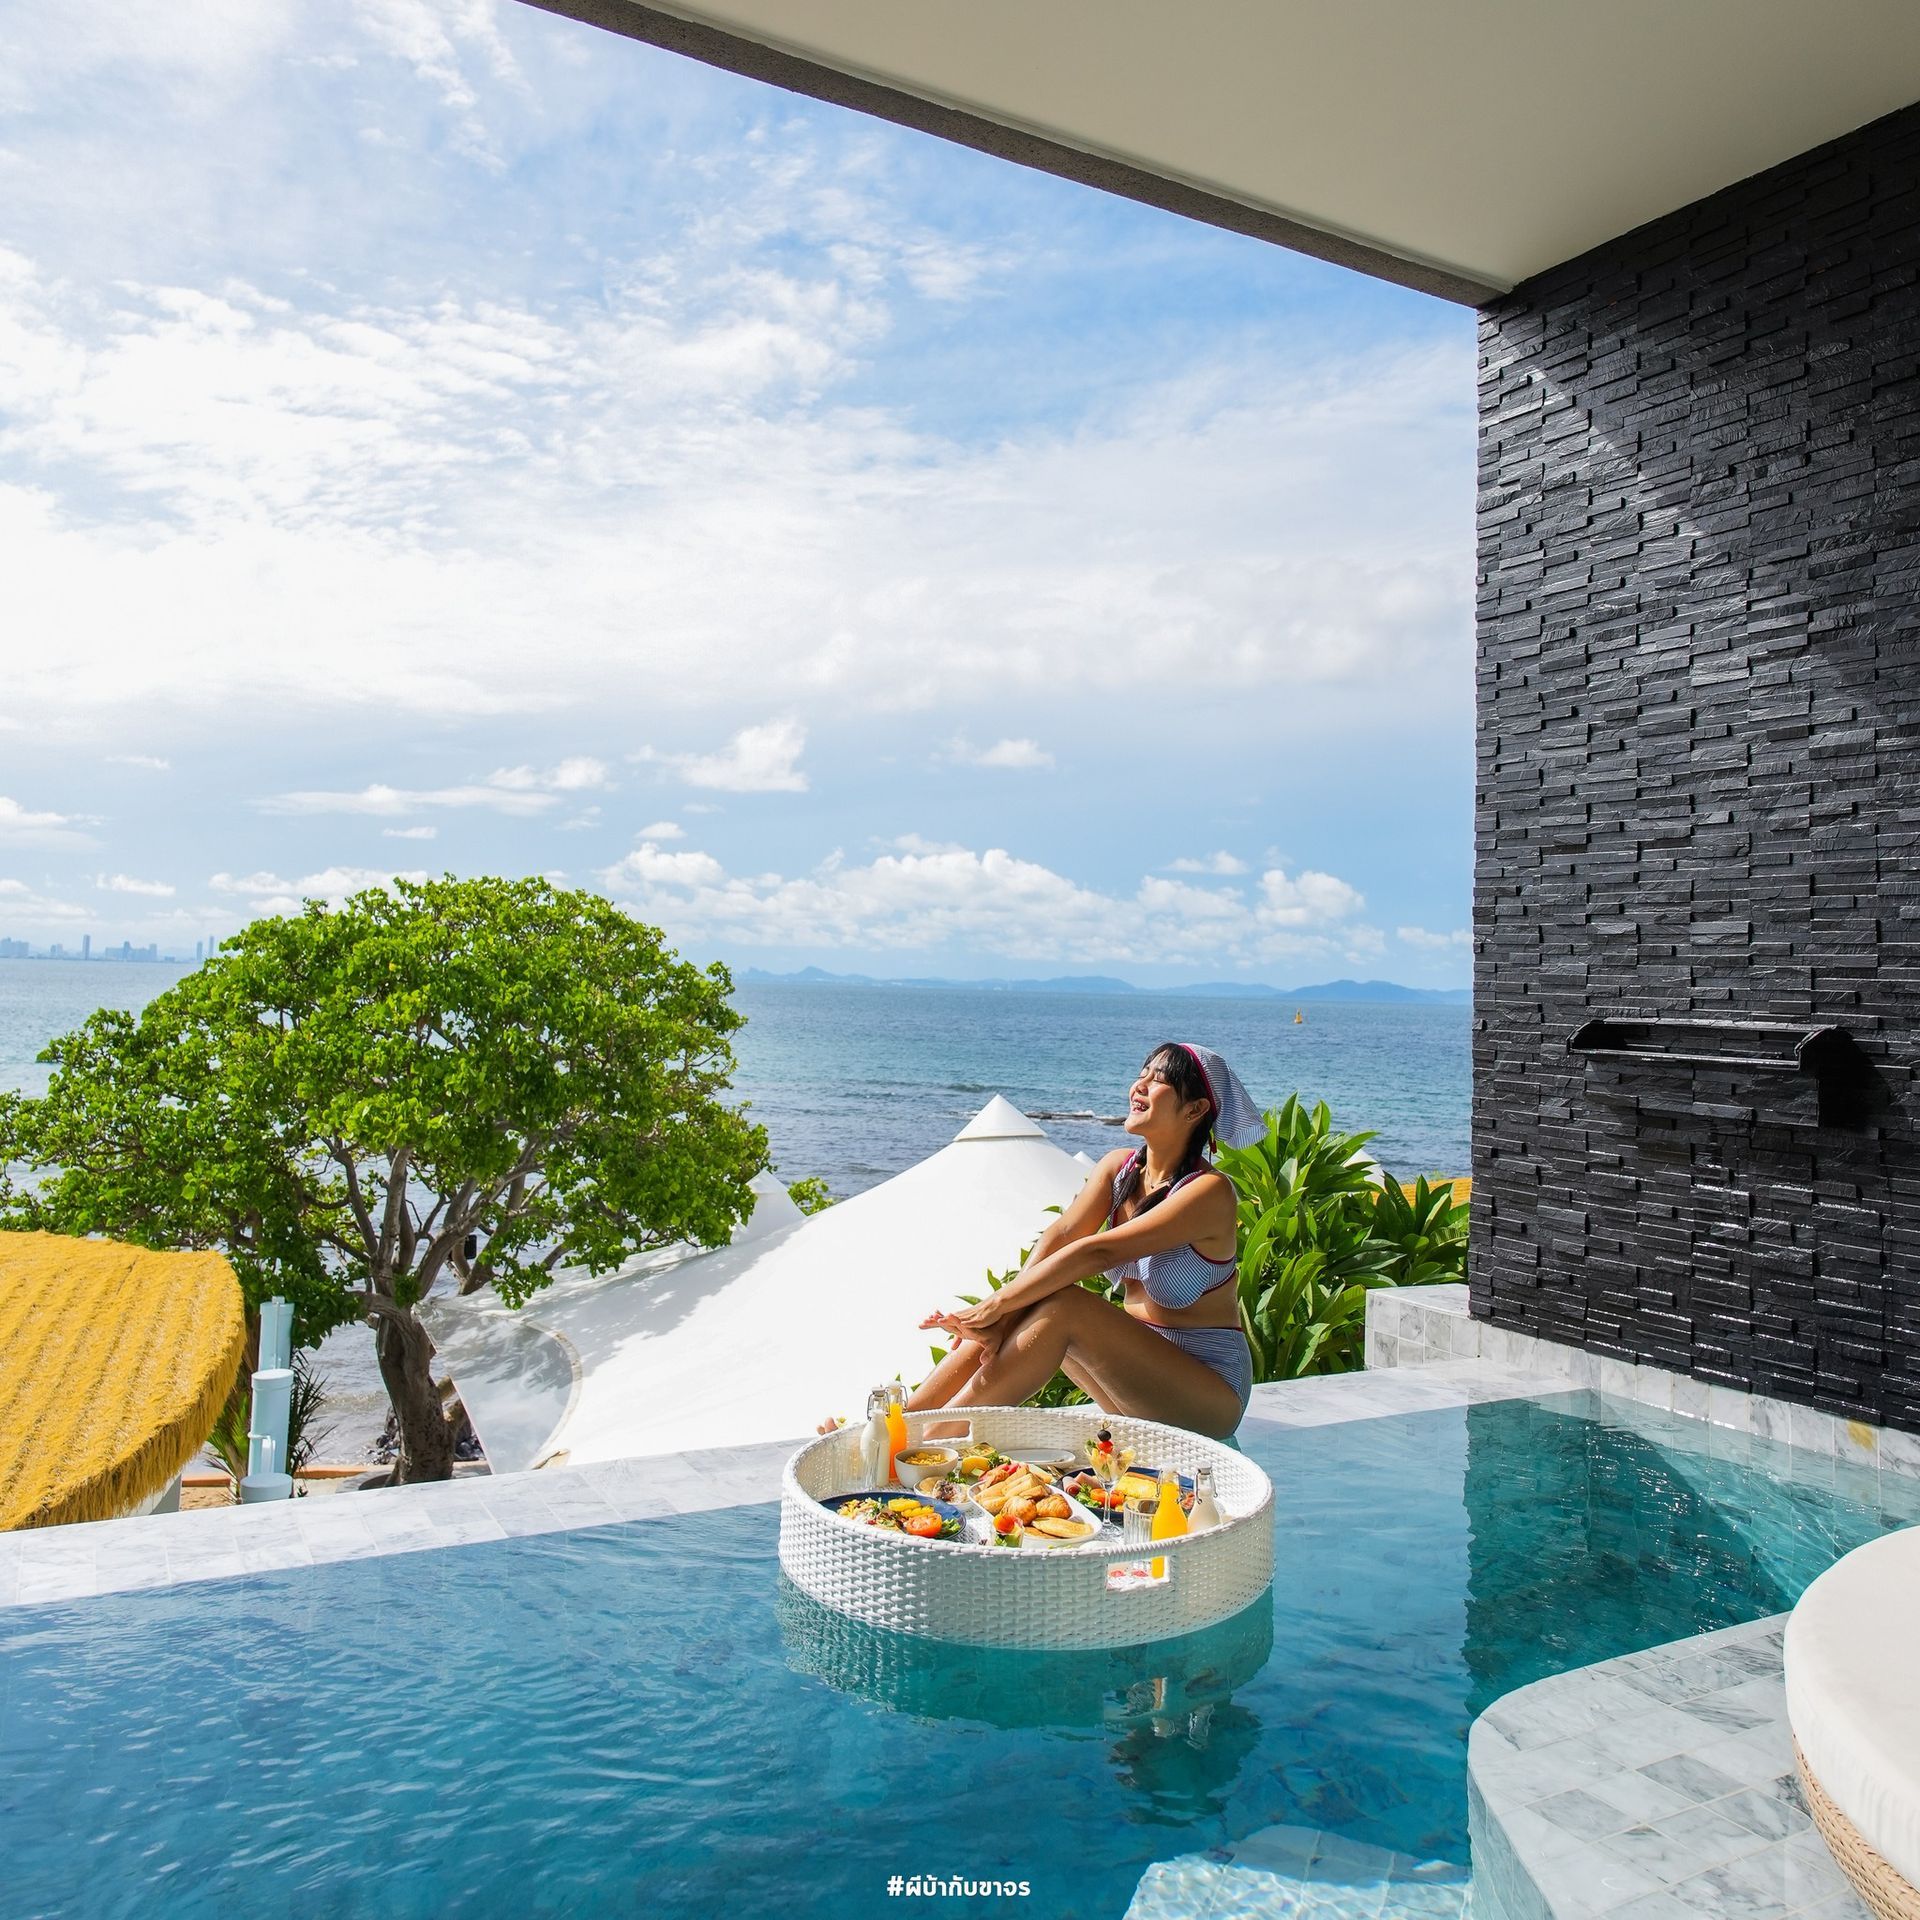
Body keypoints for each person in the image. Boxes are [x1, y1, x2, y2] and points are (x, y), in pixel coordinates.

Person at [910, 1042, 1264, 1439]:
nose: (1140, 1086)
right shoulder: (1118, 1168)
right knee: (1032, 1297)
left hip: (1208, 1395)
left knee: (1063, 1305)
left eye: (1159, 1080)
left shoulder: (1208, 1192)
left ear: (1195, 1110)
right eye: (1142, 1075)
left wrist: (994, 1305)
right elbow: (1062, 1235)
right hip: (1135, 1382)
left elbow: (1099, 1251)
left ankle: (928, 1443)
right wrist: (1000, 1319)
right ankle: (900, 1423)